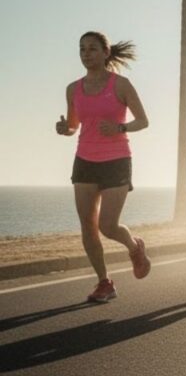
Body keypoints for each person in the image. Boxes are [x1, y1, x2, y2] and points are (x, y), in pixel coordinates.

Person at [56, 31, 151, 302]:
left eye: (93, 49)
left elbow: (143, 121)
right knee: (88, 225)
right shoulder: (73, 89)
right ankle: (104, 282)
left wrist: (120, 127)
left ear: (105, 53)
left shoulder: (120, 85)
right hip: (85, 160)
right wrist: (65, 128)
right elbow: (74, 125)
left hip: (116, 160)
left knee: (108, 226)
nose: (87, 54)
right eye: (82, 49)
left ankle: (134, 247)